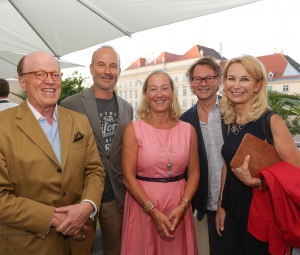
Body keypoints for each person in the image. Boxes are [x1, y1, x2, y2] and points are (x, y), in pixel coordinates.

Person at [0, 51, 105, 255]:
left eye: (55, 74)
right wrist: (52, 217)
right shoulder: (2, 126)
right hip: (28, 244)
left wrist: (87, 206)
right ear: (22, 82)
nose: (50, 81)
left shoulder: (79, 121)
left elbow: (94, 171)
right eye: (40, 74)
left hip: (79, 241)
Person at [215, 55, 300, 255]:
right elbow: (228, 164)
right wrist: (221, 205)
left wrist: (256, 182)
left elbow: (295, 175)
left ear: (257, 85)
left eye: (245, 79)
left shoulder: (271, 121)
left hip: (262, 218)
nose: (236, 85)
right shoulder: (230, 120)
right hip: (232, 213)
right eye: (231, 78)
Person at [61, 45, 133, 255]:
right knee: (80, 249)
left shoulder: (127, 107)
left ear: (119, 71)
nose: (107, 71)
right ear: (91, 68)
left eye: (113, 66)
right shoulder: (69, 105)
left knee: (116, 249)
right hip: (80, 196)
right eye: (101, 65)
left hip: (115, 194)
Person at [120, 69, 200, 255]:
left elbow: (195, 173)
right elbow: (128, 177)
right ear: (146, 95)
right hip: (143, 205)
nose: (159, 94)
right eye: (153, 89)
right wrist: (152, 211)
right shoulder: (133, 130)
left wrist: (183, 206)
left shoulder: (189, 130)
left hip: (179, 207)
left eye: (164, 88)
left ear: (172, 93)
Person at [181, 57, 227, 255]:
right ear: (191, 83)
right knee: (216, 250)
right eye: (197, 79)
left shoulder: (234, 110)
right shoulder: (185, 121)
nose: (203, 83)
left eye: (208, 78)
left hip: (238, 198)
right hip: (207, 202)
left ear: (218, 80)